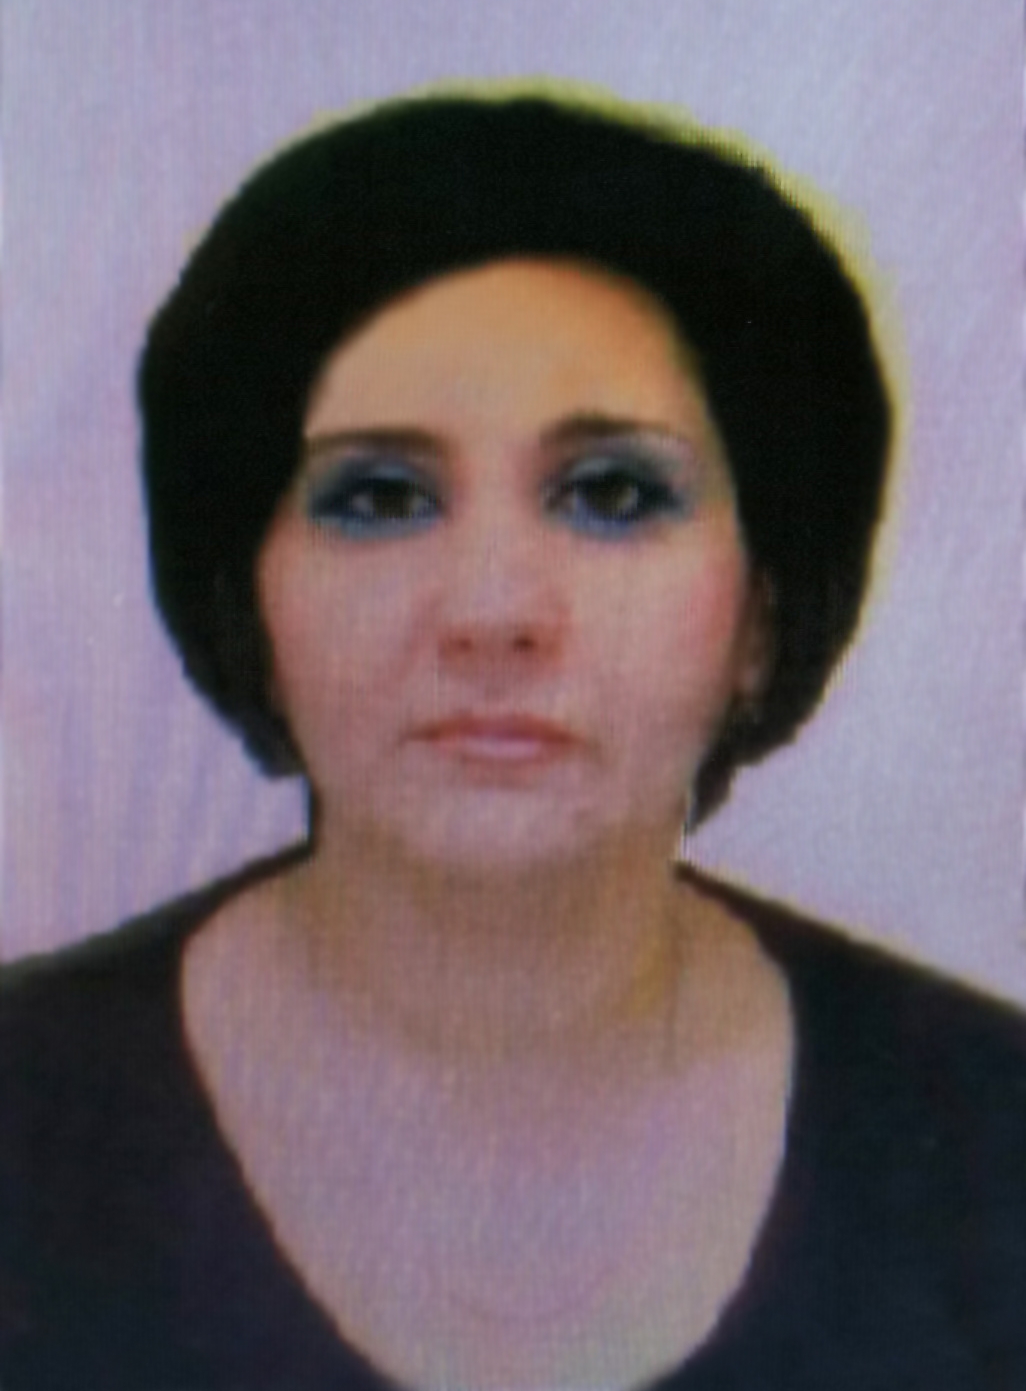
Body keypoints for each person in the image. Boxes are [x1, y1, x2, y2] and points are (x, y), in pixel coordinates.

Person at [1, 88, 1023, 1391]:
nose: (491, 613)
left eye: (613, 494)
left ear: (762, 616)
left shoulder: (992, 1134)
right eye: (379, 497)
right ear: (246, 600)